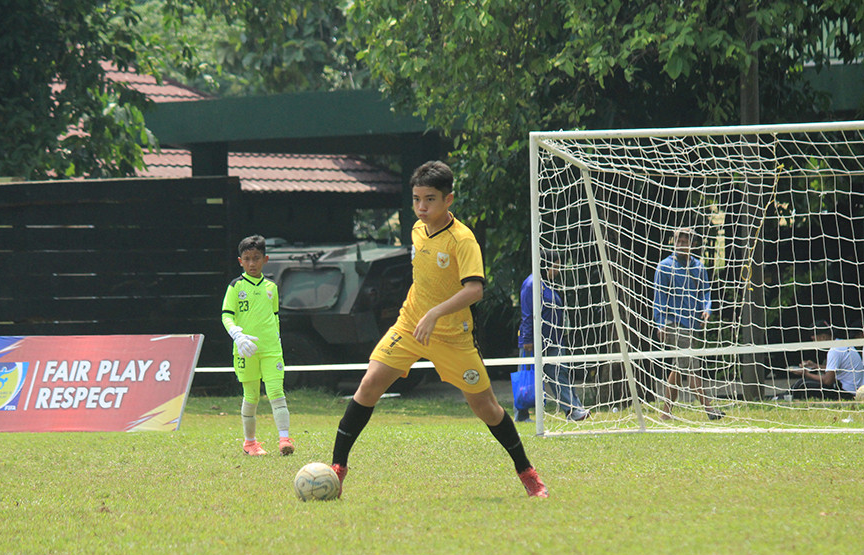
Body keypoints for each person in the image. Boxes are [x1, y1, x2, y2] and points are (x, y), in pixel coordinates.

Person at [329, 160, 548, 498]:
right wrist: (422, 314)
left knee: (486, 408)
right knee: (369, 384)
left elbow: (475, 289)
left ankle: (528, 473)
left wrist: (434, 314)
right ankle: (337, 470)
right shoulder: (418, 229)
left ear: (449, 200)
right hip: (409, 326)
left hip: (452, 337)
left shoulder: (463, 240)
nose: (421, 207)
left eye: (429, 199)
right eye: (416, 199)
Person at [221, 235, 294, 456]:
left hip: (271, 350)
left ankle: (284, 440)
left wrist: (277, 340)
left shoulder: (271, 286)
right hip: (245, 351)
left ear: (265, 259)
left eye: (256, 258)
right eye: (247, 259)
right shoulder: (236, 286)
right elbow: (226, 316)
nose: (252, 263)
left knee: (276, 393)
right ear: (240, 261)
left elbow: (275, 317)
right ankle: (250, 443)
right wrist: (237, 336)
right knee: (251, 396)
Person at [653, 226, 724, 420]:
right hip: (674, 323)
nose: (680, 245)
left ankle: (666, 413)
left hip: (691, 324)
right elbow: (659, 298)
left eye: (684, 242)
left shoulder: (698, 267)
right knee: (693, 366)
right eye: (677, 241)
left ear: (692, 245)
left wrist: (707, 310)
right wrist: (660, 323)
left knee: (679, 367)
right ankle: (709, 410)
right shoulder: (665, 267)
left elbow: (705, 293)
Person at [516, 260, 589, 422]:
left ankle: (573, 411)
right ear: (544, 265)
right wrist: (528, 339)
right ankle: (521, 414)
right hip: (534, 341)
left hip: (554, 340)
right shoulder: (531, 284)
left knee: (560, 374)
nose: (557, 270)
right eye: (554, 266)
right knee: (527, 377)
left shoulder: (548, 285)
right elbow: (528, 314)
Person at [786, 319, 864, 399]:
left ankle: (784, 398)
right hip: (854, 389)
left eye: (814, 338)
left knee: (802, 383)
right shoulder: (842, 344)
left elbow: (828, 380)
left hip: (846, 393)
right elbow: (833, 370)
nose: (813, 342)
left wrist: (806, 373)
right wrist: (815, 366)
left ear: (823, 337)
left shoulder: (834, 351)